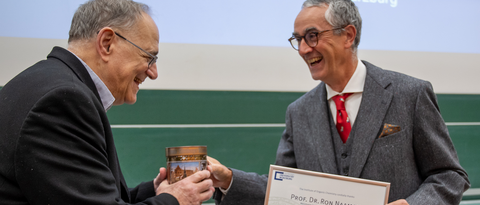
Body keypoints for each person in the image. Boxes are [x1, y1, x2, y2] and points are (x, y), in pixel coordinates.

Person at [208, 0, 470, 204]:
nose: (302, 49)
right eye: (298, 39)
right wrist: (229, 179)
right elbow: (284, 191)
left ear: (348, 35)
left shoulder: (410, 94)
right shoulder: (299, 113)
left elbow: (450, 176)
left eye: (312, 36)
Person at [0, 0, 214, 204]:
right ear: (106, 43)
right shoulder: (63, 102)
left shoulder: (45, 83)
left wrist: (159, 192)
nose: (153, 72)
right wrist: (176, 200)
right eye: (149, 57)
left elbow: (88, 197)